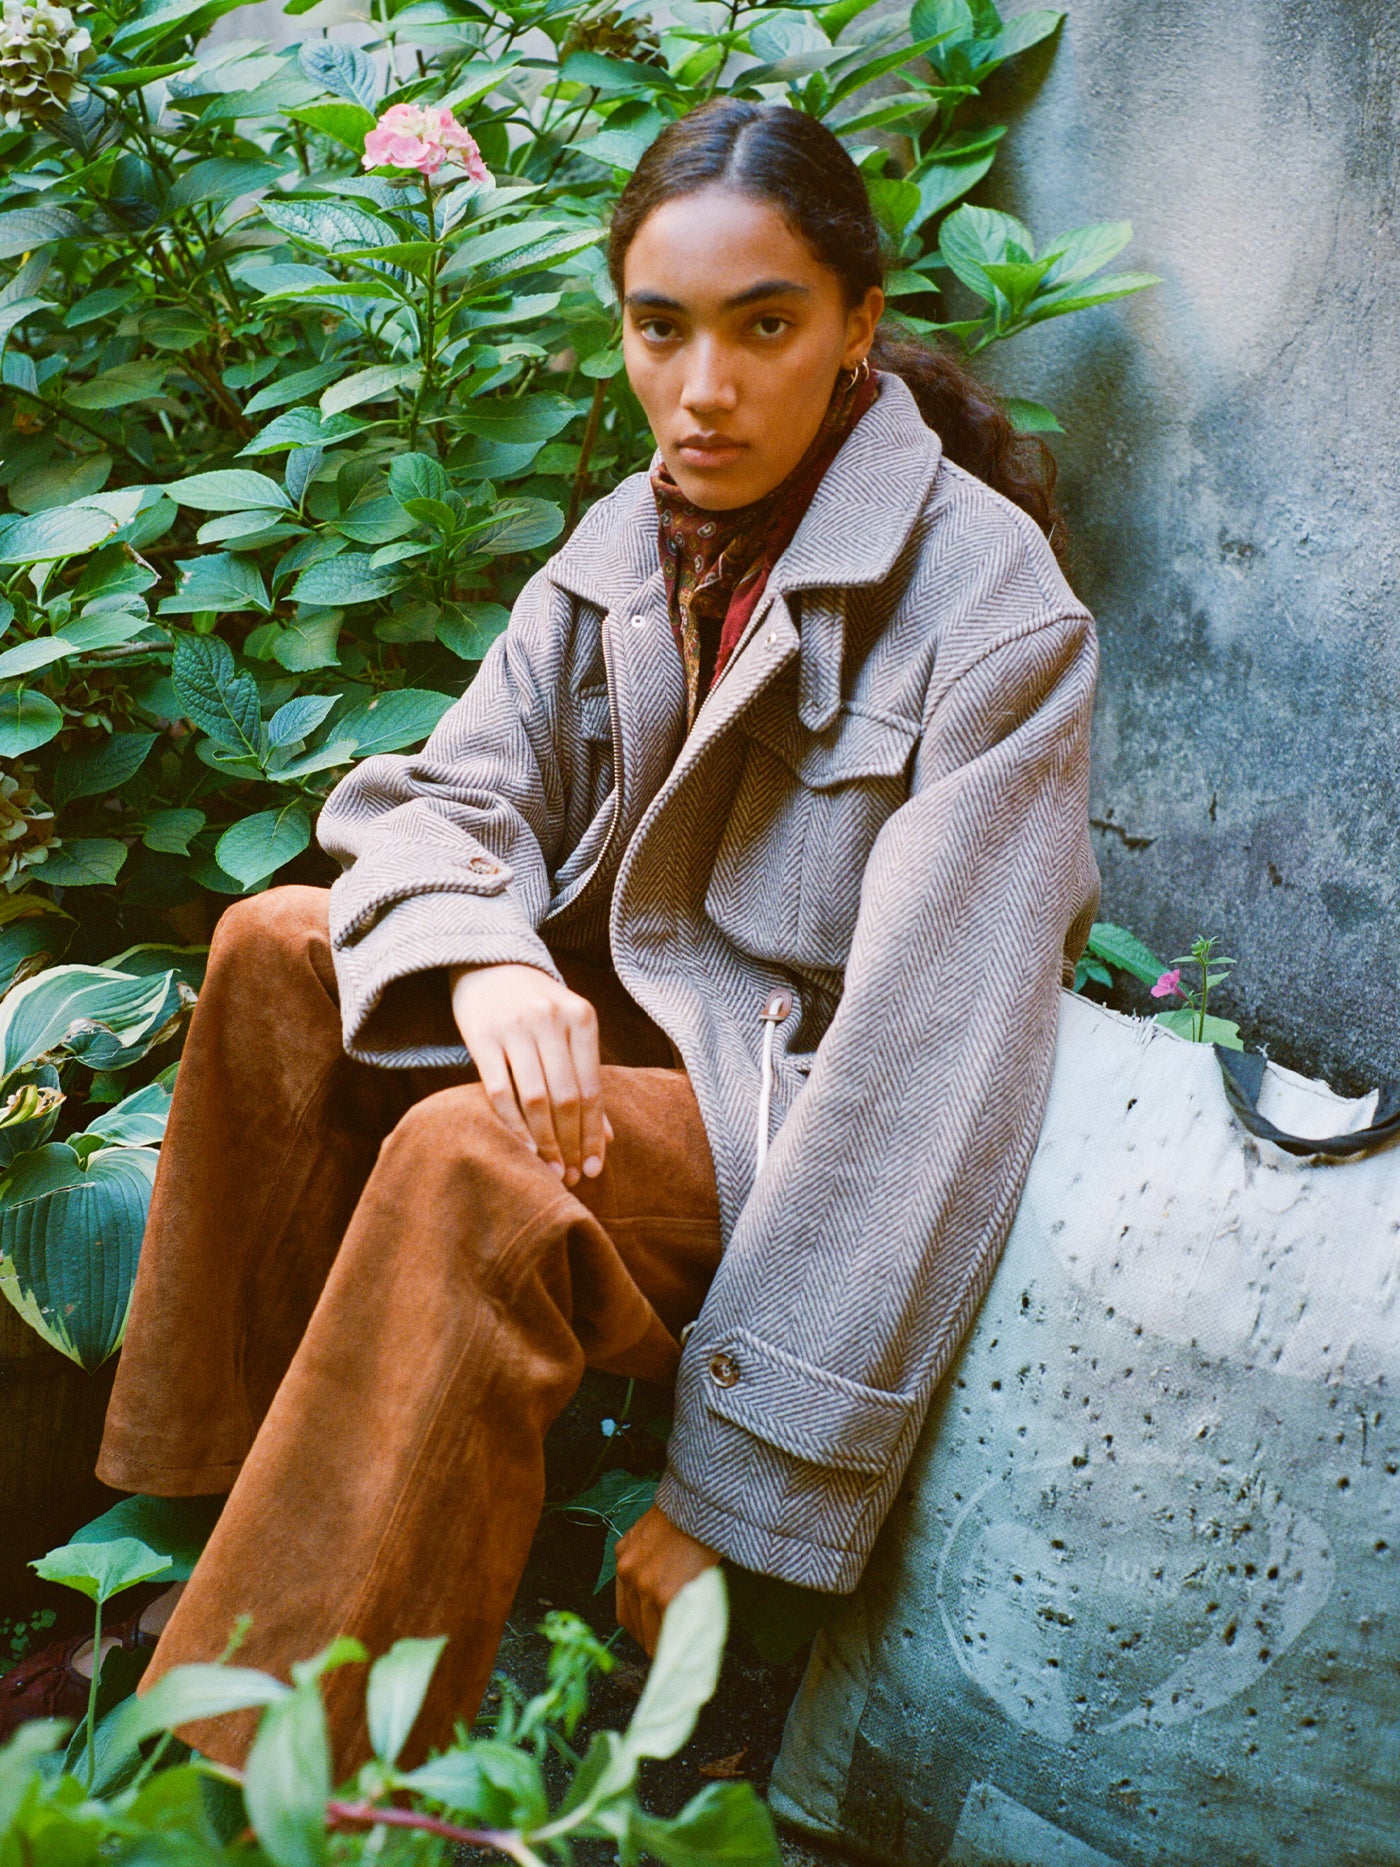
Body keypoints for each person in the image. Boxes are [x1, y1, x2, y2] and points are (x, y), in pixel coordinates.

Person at [0, 96, 1099, 1769]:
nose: (704, 389)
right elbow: (429, 805)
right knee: (277, 951)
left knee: (473, 1161)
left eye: (765, 326)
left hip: (777, 1117)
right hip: (604, 1032)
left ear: (858, 327)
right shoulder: (621, 550)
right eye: (661, 329)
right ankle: (186, 1547)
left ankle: (264, 1774)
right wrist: (501, 961)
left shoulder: (992, 612)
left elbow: (932, 1073)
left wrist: (735, 1494)